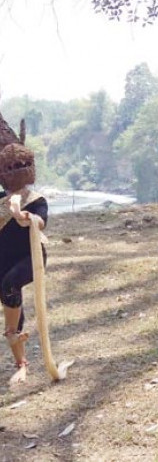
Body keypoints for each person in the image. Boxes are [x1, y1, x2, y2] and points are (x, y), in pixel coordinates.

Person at [0, 125, 48, 385]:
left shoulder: (36, 199)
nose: (15, 172)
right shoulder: (1, 199)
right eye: (10, 168)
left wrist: (19, 214)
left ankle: (10, 333)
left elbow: (38, 224)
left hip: (31, 258)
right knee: (9, 296)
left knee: (11, 283)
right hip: (3, 259)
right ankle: (21, 363)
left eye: (20, 166)